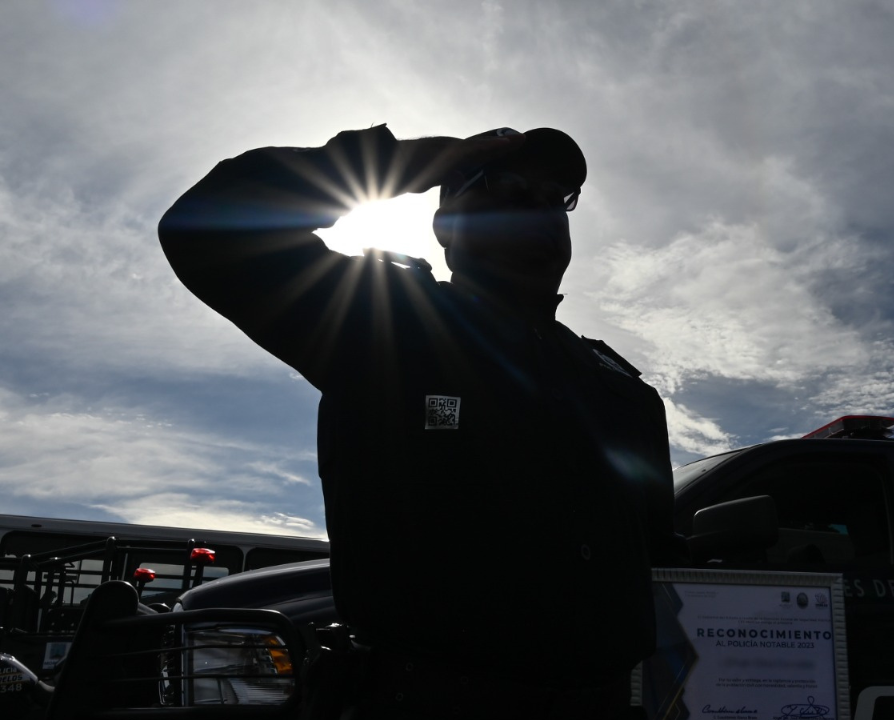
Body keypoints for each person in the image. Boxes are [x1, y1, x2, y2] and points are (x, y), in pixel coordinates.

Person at [157, 124, 677, 719]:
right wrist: (403, 163)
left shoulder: (622, 389)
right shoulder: (385, 322)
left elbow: (658, 549)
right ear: (447, 222)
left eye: (557, 197)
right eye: (507, 186)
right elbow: (207, 223)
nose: (539, 208)